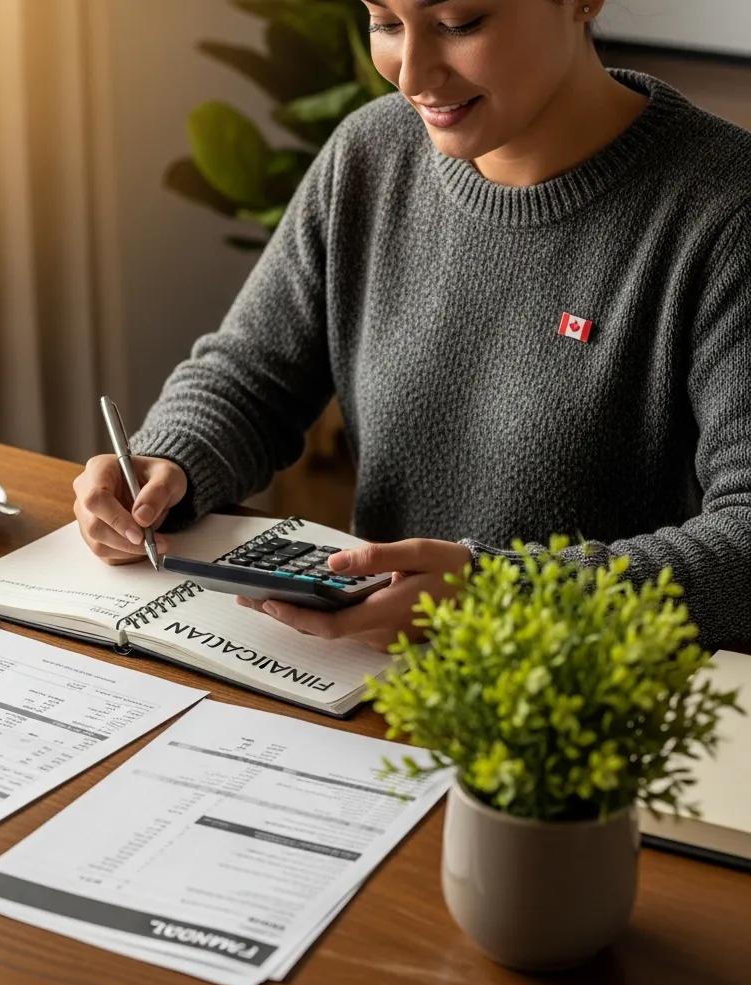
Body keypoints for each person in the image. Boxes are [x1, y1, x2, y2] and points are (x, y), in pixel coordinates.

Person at [73, 0, 751, 652]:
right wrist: (171, 462)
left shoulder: (725, 211)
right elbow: (252, 377)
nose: (412, 74)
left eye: (460, 23)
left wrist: (504, 599)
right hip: (371, 684)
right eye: (385, 23)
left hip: (607, 718)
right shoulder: (369, 155)